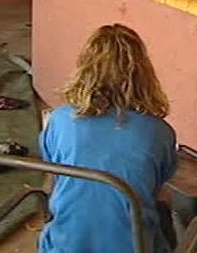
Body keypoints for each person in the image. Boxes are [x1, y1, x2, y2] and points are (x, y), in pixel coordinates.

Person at [39, 24, 177, 253]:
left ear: (84, 67)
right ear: (143, 72)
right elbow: (155, 191)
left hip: (63, 246)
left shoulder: (59, 119)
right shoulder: (159, 131)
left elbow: (53, 182)